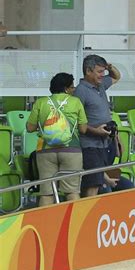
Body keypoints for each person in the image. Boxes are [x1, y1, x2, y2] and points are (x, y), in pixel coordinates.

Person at [26, 73, 88, 206]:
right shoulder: (75, 102)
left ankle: (45, 225)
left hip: (45, 150)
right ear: (66, 88)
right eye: (72, 87)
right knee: (72, 191)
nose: (73, 90)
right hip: (71, 150)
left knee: (47, 193)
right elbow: (83, 129)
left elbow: (30, 128)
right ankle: (75, 223)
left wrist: (46, 125)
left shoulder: (41, 102)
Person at [73, 54, 121, 197]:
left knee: (99, 183)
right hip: (90, 145)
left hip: (105, 144)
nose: (102, 75)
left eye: (104, 72)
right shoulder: (81, 91)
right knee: (92, 184)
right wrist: (96, 131)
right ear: (88, 71)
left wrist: (109, 67)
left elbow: (117, 77)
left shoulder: (100, 86)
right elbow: (76, 120)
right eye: (99, 72)